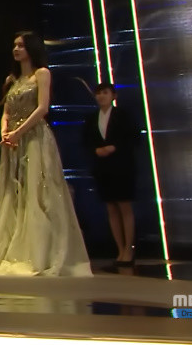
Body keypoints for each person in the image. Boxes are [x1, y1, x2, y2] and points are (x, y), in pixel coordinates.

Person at [0, 32, 91, 277]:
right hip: (13, 142)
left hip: (35, 138)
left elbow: (42, 108)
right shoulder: (13, 79)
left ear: (31, 48)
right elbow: (6, 112)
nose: (16, 49)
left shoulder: (41, 74)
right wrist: (5, 132)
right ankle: (14, 247)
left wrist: (19, 132)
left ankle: (40, 252)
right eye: (14, 45)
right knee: (13, 191)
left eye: (21, 45)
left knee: (38, 191)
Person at [81, 83, 140, 266]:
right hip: (102, 168)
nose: (101, 96)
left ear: (113, 95)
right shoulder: (92, 118)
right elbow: (86, 141)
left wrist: (115, 147)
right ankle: (120, 249)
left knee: (124, 206)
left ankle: (128, 248)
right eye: (98, 93)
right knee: (111, 208)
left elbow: (134, 138)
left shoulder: (123, 115)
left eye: (105, 92)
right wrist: (96, 150)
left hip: (122, 167)